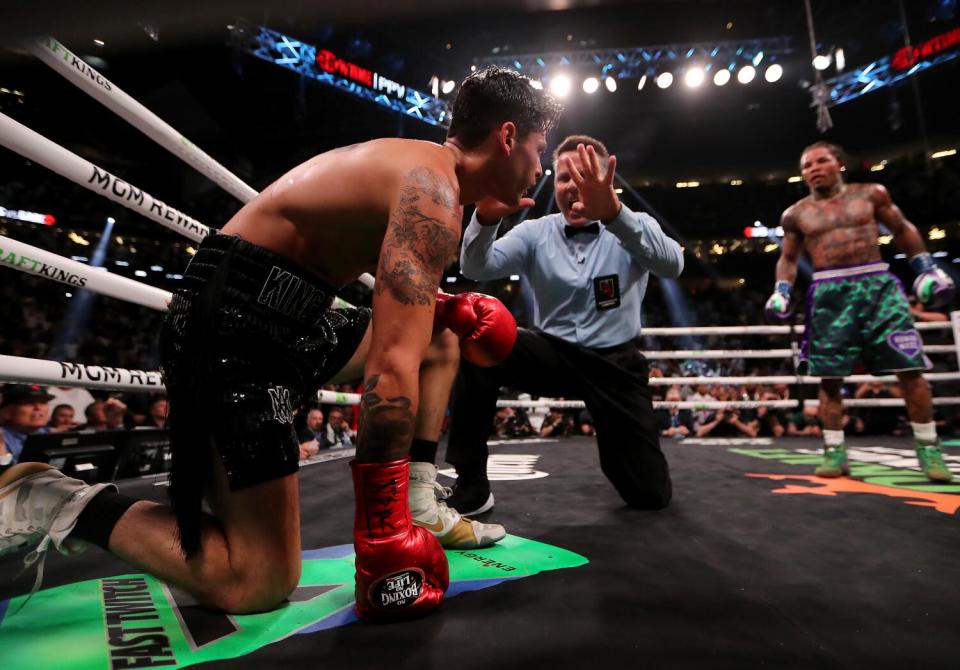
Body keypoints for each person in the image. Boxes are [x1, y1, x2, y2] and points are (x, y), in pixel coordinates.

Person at [0, 66, 562, 622]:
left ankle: (420, 500)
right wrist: (380, 529)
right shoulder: (430, 191)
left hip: (292, 313)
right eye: (539, 148)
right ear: (506, 136)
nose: (540, 167)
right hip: (228, 326)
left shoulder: (433, 178)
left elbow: (407, 332)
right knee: (258, 581)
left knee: (442, 334)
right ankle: (54, 499)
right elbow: (390, 372)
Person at [445, 134, 683, 515]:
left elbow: (673, 265)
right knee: (479, 335)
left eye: (584, 176)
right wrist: (485, 220)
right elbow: (476, 268)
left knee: (649, 495)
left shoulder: (634, 225)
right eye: (564, 178)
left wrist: (616, 216)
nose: (574, 187)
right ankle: (471, 483)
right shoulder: (537, 232)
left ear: (607, 180)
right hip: (551, 352)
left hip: (614, 363)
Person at [766, 141, 955, 480]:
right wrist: (781, 291)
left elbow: (902, 229)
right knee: (830, 378)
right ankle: (834, 450)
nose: (813, 169)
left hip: (878, 287)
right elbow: (789, 258)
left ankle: (929, 449)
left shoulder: (871, 194)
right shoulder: (796, 214)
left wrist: (926, 267)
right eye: (806, 165)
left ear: (839, 163)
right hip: (828, 292)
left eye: (820, 161)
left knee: (910, 369)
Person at [0, 384, 53, 470]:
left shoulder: (49, 434)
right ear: (6, 412)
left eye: (43, 402)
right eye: (29, 403)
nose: (38, 408)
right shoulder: (2, 439)